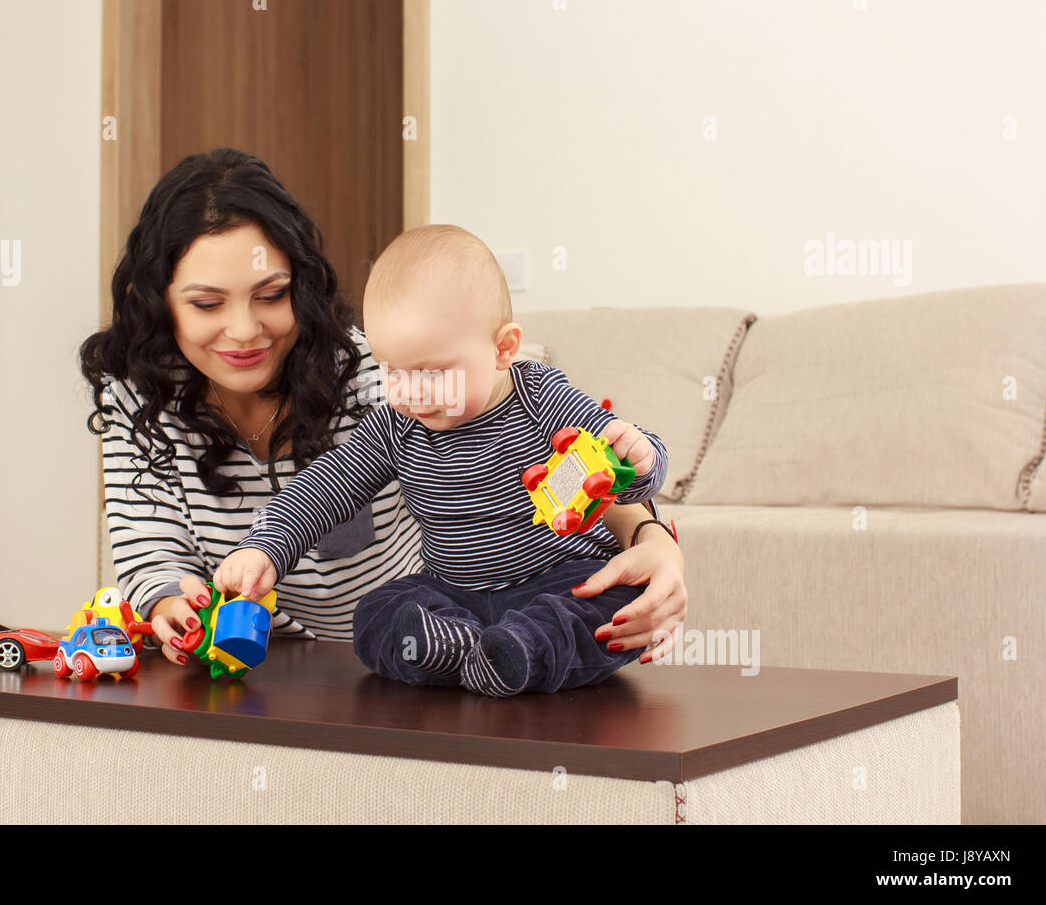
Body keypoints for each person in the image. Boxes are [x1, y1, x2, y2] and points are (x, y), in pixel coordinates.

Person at [80, 148, 687, 670]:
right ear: (162, 304)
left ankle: (510, 656)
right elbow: (169, 540)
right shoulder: (136, 392)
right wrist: (180, 596)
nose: (244, 330)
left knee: (570, 606)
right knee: (392, 612)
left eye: (271, 295)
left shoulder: (381, 371)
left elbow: (592, 461)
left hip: (454, 623)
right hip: (326, 652)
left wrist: (656, 537)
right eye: (207, 304)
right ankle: (465, 652)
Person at [215, 224, 675, 696]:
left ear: (503, 349)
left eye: (431, 373)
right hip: (456, 596)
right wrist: (264, 547)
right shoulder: (397, 425)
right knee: (376, 612)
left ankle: (519, 651)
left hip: (559, 580)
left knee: (616, 601)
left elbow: (614, 464)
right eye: (391, 370)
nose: (409, 393)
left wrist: (640, 460)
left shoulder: (541, 397)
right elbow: (324, 490)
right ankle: (455, 647)